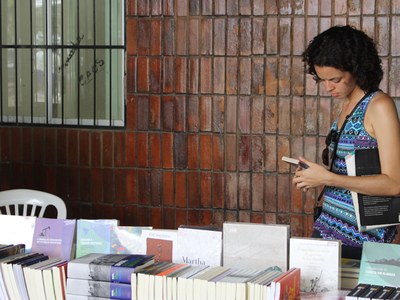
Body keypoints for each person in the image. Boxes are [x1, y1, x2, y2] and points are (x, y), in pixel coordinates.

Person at [293, 25, 400, 259]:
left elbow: (394, 183)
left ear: (357, 68)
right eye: (323, 80)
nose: (329, 87)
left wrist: (328, 178)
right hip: (328, 228)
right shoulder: (347, 105)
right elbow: (348, 170)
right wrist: (314, 176)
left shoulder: (379, 106)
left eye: (336, 79)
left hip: (362, 240)